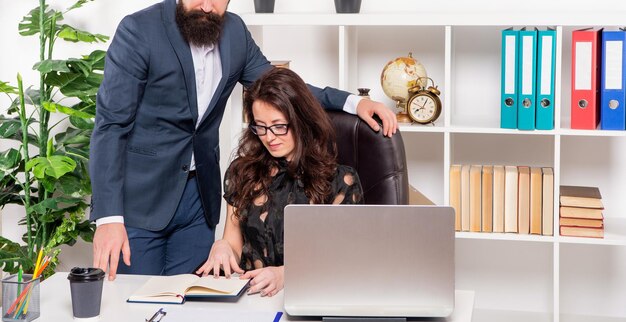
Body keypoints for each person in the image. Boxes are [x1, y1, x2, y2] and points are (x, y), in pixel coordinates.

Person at [90, 0, 395, 281]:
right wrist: (107, 218)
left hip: (198, 200)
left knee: (190, 303)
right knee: (134, 302)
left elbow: (283, 89)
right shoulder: (139, 30)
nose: (208, 7)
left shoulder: (234, 32)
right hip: (140, 200)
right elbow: (110, 126)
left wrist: (352, 103)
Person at [196, 68, 363, 297]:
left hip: (312, 296)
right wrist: (223, 247)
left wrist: (286, 274)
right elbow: (233, 242)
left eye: (279, 126)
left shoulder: (341, 181)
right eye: (260, 127)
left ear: (302, 120)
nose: (269, 137)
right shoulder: (242, 172)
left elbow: (343, 257)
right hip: (252, 298)